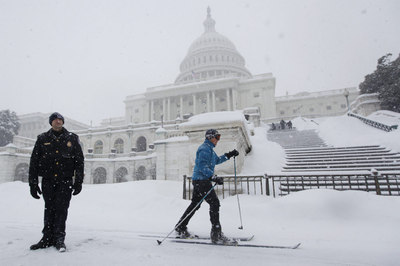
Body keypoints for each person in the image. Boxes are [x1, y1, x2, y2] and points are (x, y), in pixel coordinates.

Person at [28, 112, 84, 252]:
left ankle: (59, 239)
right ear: (51, 122)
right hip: (48, 180)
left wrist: (78, 181)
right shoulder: (42, 138)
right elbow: (34, 162)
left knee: (61, 210)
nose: (58, 122)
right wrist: (33, 183)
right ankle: (46, 238)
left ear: (63, 122)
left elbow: (79, 161)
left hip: (65, 181)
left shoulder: (72, 138)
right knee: (49, 208)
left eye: (60, 120)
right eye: (55, 120)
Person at [175, 129, 239, 244]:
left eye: (219, 137)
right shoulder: (204, 149)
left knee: (195, 205)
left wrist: (229, 155)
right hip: (202, 181)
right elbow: (202, 166)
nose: (218, 140)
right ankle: (216, 234)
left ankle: (180, 227)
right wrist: (213, 177)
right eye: (217, 137)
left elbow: (217, 160)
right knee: (214, 203)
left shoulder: (209, 149)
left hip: (200, 180)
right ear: (210, 137)